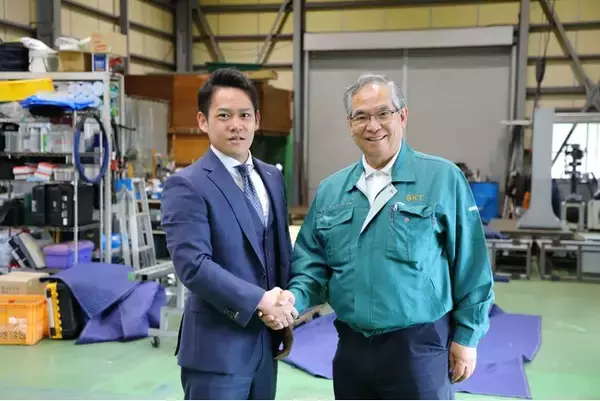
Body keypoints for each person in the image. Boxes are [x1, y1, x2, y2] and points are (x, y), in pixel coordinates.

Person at [261, 73, 495, 399]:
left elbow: (471, 265)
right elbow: (312, 267)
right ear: (350, 124)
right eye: (361, 116)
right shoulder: (332, 191)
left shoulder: (442, 178)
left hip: (419, 346)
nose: (373, 125)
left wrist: (467, 337)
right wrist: (292, 301)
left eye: (383, 113)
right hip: (352, 348)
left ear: (403, 116)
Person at [161, 68, 297, 400]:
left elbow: (277, 251)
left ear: (257, 120)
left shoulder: (272, 177)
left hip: (266, 344)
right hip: (216, 351)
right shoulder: (187, 184)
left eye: (244, 115)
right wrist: (260, 301)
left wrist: (287, 300)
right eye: (224, 115)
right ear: (203, 121)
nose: (236, 124)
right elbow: (193, 266)